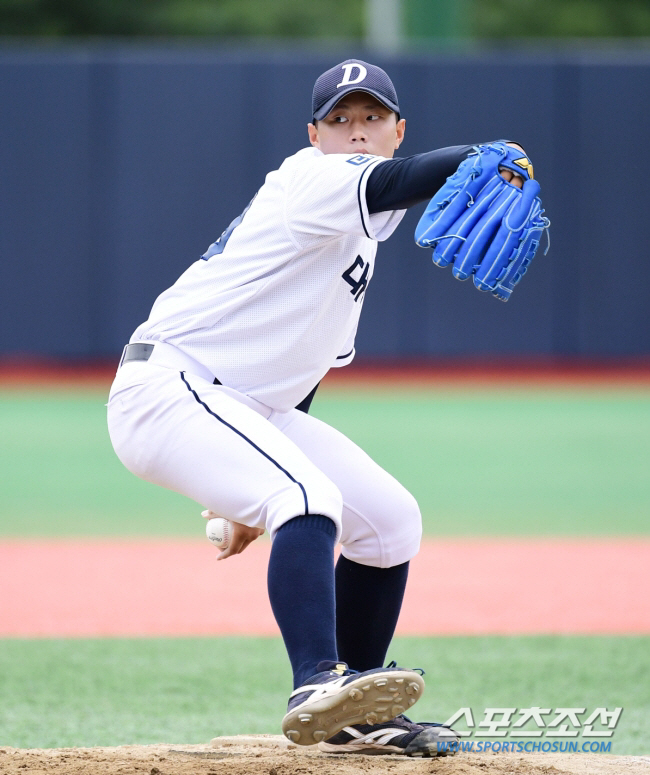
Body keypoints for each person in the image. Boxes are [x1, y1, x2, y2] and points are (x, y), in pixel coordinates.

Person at [107, 59, 525, 757]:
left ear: (397, 129)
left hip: (242, 404)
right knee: (307, 496)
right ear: (315, 134)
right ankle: (314, 684)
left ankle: (354, 708)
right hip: (168, 386)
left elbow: (299, 381)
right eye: (340, 120)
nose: (356, 133)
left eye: (371, 119)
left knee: (390, 520)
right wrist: (486, 157)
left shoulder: (357, 240)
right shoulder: (311, 179)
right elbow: (399, 180)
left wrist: (243, 496)